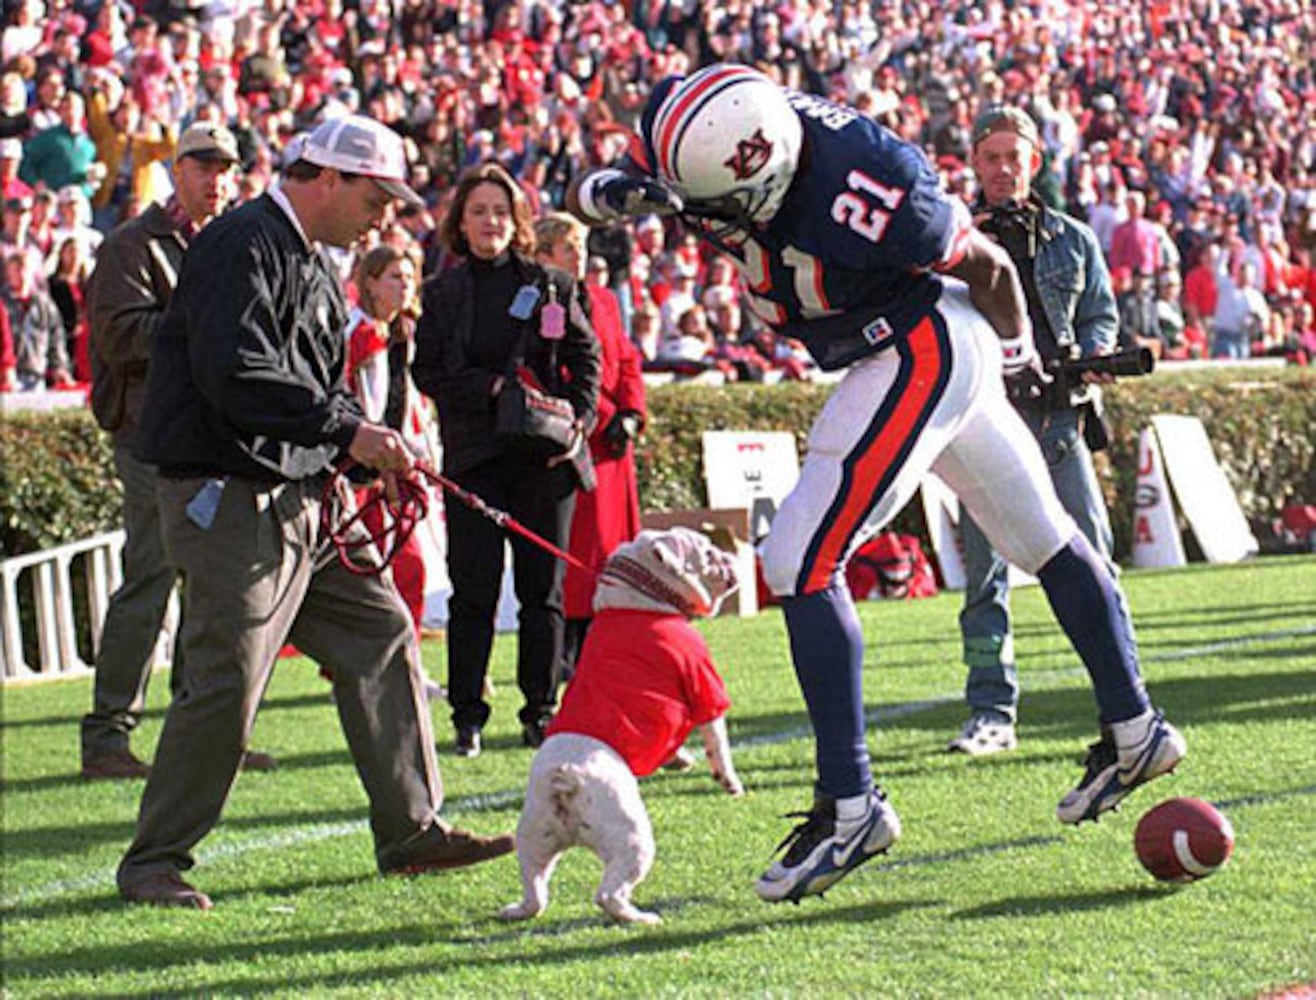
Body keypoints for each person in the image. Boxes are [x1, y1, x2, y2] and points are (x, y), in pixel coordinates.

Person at [569, 63, 1185, 904]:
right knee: (1041, 536)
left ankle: (850, 804)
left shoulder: (871, 181)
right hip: (894, 348)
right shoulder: (702, 129)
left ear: (777, 166)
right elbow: (605, 184)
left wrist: (1015, 355)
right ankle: (1135, 726)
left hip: (920, 342)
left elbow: (991, 267)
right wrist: (621, 193)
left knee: (796, 559)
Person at [117, 114, 514, 910]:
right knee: (228, 678)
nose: (384, 216)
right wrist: (350, 433)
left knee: (381, 631)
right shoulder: (242, 242)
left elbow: (306, 383)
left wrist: (354, 451)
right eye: (375, 197)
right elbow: (239, 373)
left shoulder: (298, 251)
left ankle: (410, 830)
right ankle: (153, 860)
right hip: (229, 496)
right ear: (326, 178)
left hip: (290, 492)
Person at [80, 122, 275, 780]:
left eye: (225, 166)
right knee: (151, 579)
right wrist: (210, 328)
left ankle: (209, 735)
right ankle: (108, 734)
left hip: (212, 439)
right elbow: (118, 340)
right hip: (148, 438)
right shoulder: (132, 244)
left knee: (212, 587)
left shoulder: (231, 242)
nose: (216, 178)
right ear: (176, 171)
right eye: (202, 165)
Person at [947, 105, 1124, 757]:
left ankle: (1123, 701)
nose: (1000, 169)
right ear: (974, 163)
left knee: (1097, 563)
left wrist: (1094, 357)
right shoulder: (952, 238)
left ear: (1034, 164)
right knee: (985, 580)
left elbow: (1101, 315)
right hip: (980, 423)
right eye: (989, 157)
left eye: (1011, 158)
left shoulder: (1074, 237)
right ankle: (991, 710)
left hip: (1059, 419)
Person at [411, 163, 600, 760]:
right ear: (459, 224)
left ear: (517, 218)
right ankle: (467, 715)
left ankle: (539, 711)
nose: (490, 221)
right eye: (477, 212)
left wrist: (576, 421)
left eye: (499, 210)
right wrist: (489, 391)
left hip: (544, 460)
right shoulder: (441, 293)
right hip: (474, 458)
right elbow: (427, 371)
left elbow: (585, 359)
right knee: (474, 592)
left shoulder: (552, 285)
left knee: (543, 593)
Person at [532, 212, 646, 674]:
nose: (579, 255)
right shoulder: (538, 302)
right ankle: (569, 650)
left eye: (580, 246)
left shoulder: (603, 299)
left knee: (612, 550)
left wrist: (633, 413)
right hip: (573, 441)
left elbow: (627, 357)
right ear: (543, 256)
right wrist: (593, 418)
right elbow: (553, 374)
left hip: (613, 446)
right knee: (578, 553)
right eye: (568, 247)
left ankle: (611, 645)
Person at [343, 243, 435, 641]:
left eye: (410, 277)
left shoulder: (404, 334)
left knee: (409, 565)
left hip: (395, 467)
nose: (405, 285)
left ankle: (406, 657)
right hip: (359, 475)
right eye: (396, 277)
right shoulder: (356, 334)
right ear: (371, 283)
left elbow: (406, 401)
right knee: (367, 573)